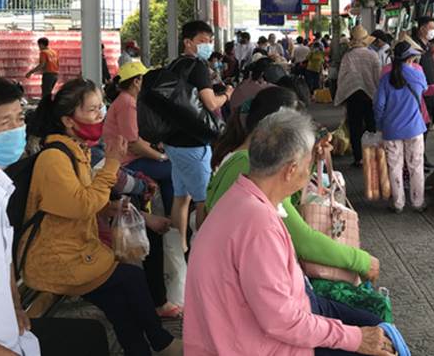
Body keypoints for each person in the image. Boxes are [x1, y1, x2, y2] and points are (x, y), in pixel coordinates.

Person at [184, 107, 396, 356]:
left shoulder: (243, 197)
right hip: (258, 343)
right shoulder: (258, 225)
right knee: (379, 345)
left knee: (375, 326)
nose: (308, 176)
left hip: (263, 324)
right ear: (291, 170)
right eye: (307, 166)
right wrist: (356, 339)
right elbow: (281, 322)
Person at [23, 78, 180, 356]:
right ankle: (161, 341)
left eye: (101, 109)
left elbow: (80, 199)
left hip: (78, 248)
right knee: (129, 278)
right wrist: (112, 164)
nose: (101, 116)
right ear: (69, 121)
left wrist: (109, 208)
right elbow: (81, 205)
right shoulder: (54, 159)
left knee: (120, 305)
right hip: (59, 258)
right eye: (93, 111)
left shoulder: (75, 151)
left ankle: (143, 348)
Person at [0, 76, 109, 356]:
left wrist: (15, 305)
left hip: (10, 332)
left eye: (19, 119)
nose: (17, 130)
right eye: (4, 124)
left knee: (91, 336)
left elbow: (2, 259)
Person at [205, 86, 379, 281]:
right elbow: (303, 240)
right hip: (237, 280)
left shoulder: (239, 156)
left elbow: (287, 203)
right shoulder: (251, 167)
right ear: (275, 129)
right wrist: (362, 261)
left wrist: (310, 160)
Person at [102, 62, 182, 320]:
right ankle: (178, 223)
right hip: (127, 166)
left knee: (173, 173)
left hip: (121, 167)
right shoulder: (127, 102)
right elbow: (134, 144)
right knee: (175, 172)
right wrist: (160, 157)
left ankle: (175, 219)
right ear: (137, 81)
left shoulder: (123, 101)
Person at [163, 20, 233, 253]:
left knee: (181, 197)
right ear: (188, 42)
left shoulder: (173, 66)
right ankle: (202, 250)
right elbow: (211, 103)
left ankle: (179, 247)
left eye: (210, 41)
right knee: (204, 199)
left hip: (173, 140)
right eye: (203, 41)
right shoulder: (198, 67)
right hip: (193, 143)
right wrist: (228, 95)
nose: (208, 45)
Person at [374, 42, 428, 213]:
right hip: (414, 129)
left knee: (394, 166)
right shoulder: (418, 75)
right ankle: (418, 202)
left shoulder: (385, 79)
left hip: (391, 130)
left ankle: (398, 203)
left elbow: (379, 105)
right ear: (410, 58)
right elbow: (424, 90)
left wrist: (380, 125)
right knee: (416, 166)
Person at [334, 26, 381, 169]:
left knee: (355, 127)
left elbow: (342, 76)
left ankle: (359, 158)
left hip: (353, 95)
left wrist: (341, 95)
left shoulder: (348, 56)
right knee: (371, 126)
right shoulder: (373, 55)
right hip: (370, 95)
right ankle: (372, 155)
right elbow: (378, 76)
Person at [412, 17, 434, 133]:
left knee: (426, 124)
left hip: (430, 90)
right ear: (422, 29)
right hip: (420, 93)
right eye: (431, 28)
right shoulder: (414, 47)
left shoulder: (428, 47)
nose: (433, 31)